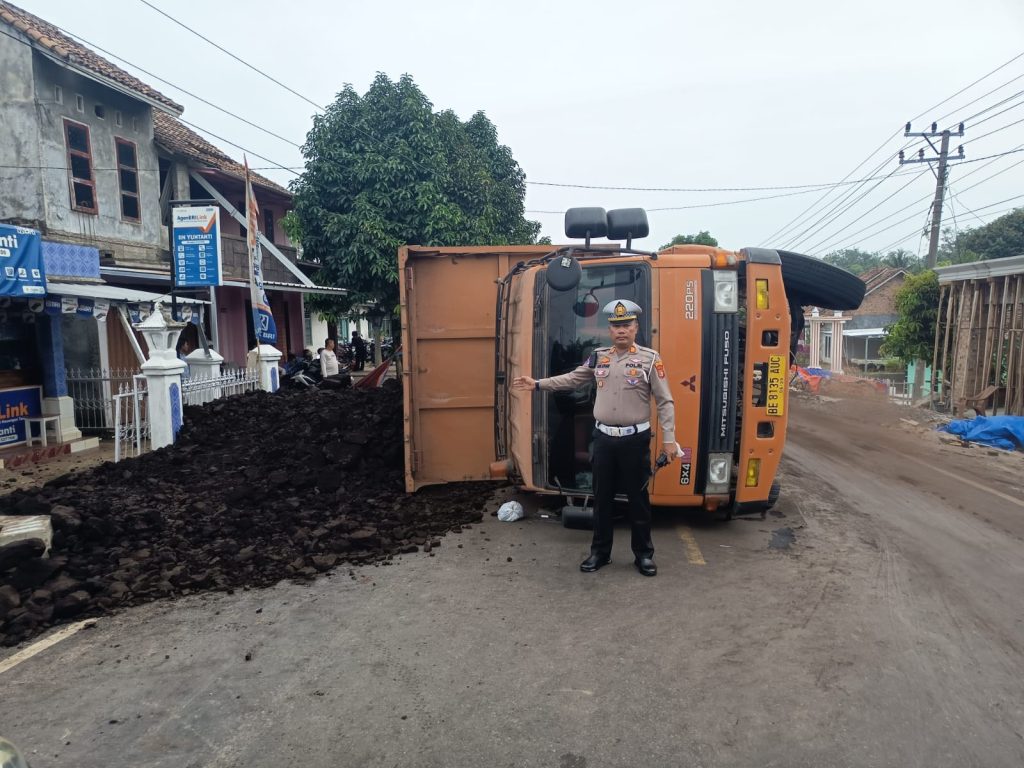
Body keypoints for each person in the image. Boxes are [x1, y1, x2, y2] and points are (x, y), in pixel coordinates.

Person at [512, 299, 676, 577]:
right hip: (603, 440)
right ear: (609, 330)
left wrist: (670, 439)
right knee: (602, 499)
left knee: (638, 500)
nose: (621, 330)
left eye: (626, 325)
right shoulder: (599, 357)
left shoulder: (650, 359)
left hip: (634, 441)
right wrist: (538, 384)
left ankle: (644, 555)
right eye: (615, 326)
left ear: (636, 327)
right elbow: (573, 379)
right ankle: (600, 552)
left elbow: (665, 401)